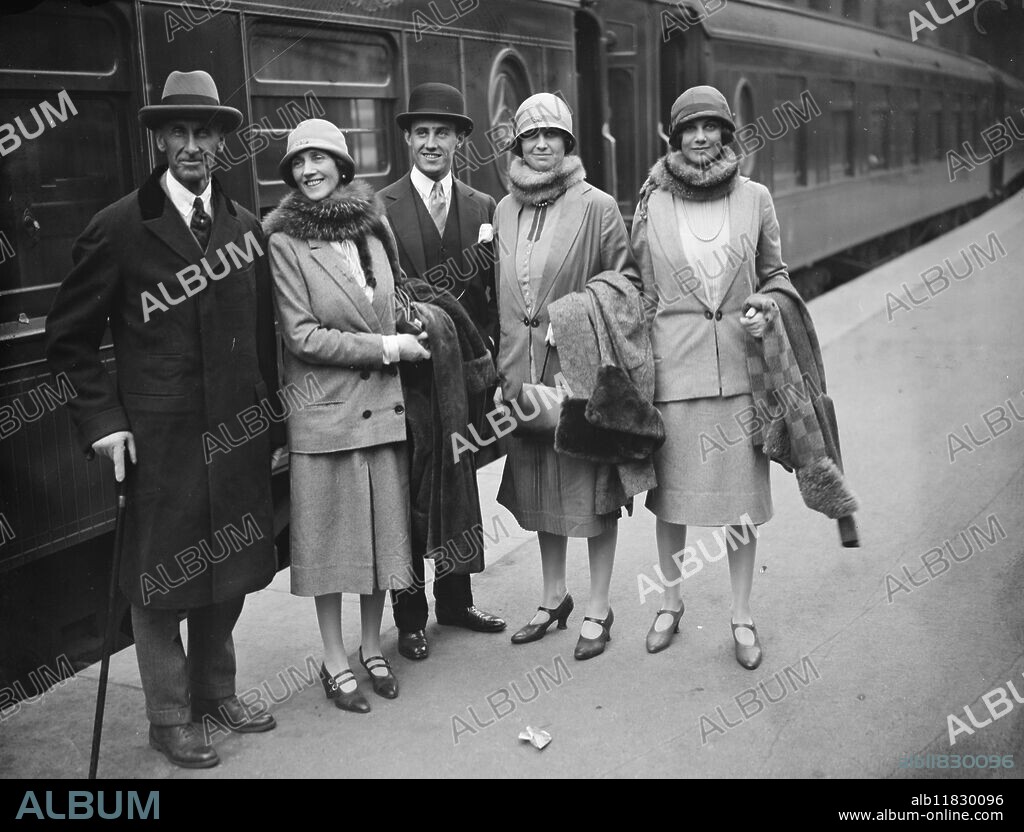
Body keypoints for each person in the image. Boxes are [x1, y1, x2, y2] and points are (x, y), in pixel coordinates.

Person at [45, 70, 280, 769]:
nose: (191, 146)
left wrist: (273, 424)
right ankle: (170, 715)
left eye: (203, 132)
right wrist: (104, 423)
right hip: (159, 443)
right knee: (160, 586)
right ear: (159, 139)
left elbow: (262, 336)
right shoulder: (118, 228)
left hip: (234, 435)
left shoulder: (244, 228)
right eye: (178, 132)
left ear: (220, 143)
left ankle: (216, 692)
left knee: (230, 572)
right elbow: (70, 341)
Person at [264, 119, 427, 713]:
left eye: (319, 158)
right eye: (298, 162)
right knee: (330, 545)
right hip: (325, 416)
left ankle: (370, 646)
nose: (309, 170)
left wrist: (407, 326)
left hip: (383, 409)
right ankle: (335, 658)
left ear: (341, 165)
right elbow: (302, 334)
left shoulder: (372, 227)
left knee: (382, 538)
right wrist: (388, 348)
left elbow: (388, 301)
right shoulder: (283, 241)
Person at [631, 85, 788, 667]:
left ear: (727, 133)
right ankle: (670, 602)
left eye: (710, 127)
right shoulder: (653, 202)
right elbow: (639, 289)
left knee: (740, 505)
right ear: (675, 139)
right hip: (675, 374)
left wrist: (766, 307)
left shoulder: (756, 198)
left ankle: (741, 614)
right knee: (670, 502)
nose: (700, 137)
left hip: (741, 375)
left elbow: (777, 275)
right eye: (689, 128)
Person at [493, 93, 640, 660]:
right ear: (517, 145)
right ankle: (554, 597)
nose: (540, 144)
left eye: (552, 134)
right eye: (530, 136)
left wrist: (570, 317)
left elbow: (628, 287)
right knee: (539, 488)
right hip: (521, 376)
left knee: (593, 492)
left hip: (577, 375)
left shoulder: (597, 206)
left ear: (568, 143)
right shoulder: (505, 209)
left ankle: (599, 607)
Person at [377, 83, 506, 661]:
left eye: (442, 133)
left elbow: (492, 295)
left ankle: (456, 599)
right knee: (407, 492)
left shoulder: (484, 207)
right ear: (408, 138)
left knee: (460, 482)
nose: (432, 143)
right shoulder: (381, 207)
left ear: (459, 140)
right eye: (422, 133)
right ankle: (410, 617)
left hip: (463, 378)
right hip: (405, 379)